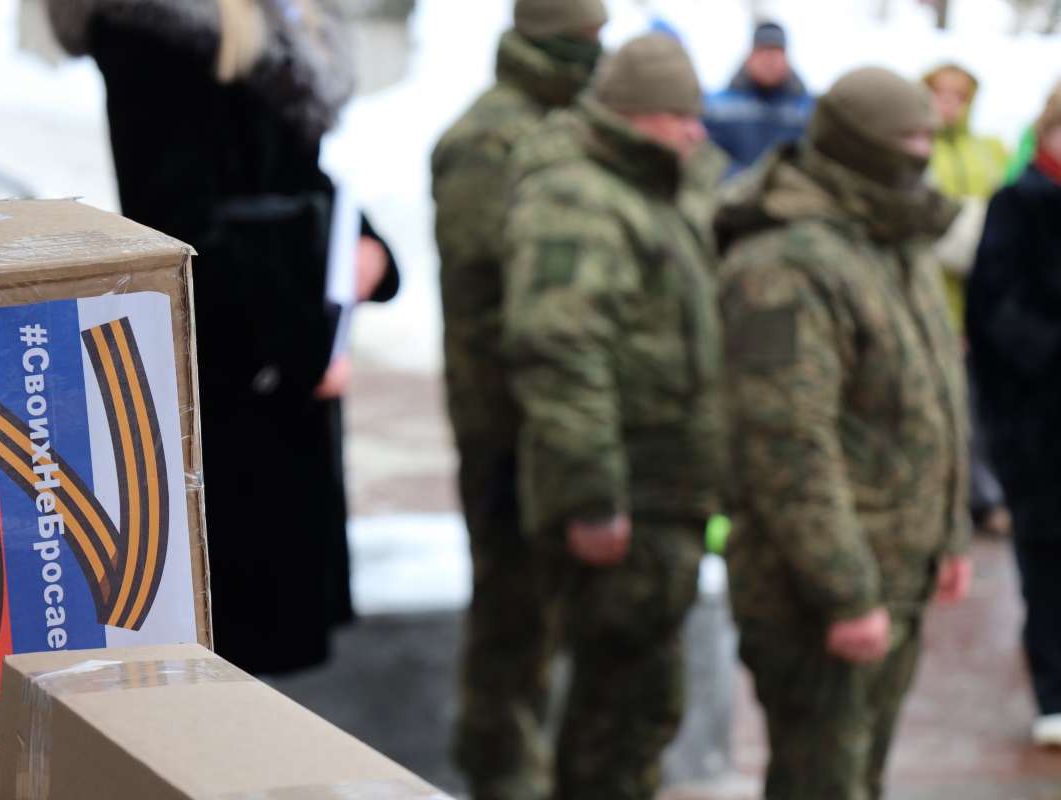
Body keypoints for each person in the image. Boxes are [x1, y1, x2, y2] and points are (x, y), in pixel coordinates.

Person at [46, 0, 399, 675]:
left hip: (281, 365)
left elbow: (297, 172)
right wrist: (303, 350)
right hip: (237, 372)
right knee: (229, 647)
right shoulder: (157, 28)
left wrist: (368, 248)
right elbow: (176, 225)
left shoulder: (269, 22)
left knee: (263, 659)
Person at [716, 67, 972, 799]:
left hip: (896, 573)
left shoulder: (893, 238)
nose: (922, 154)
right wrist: (846, 593)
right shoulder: (782, 264)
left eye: (928, 137)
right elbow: (785, 443)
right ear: (859, 147)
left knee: (861, 778)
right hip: (814, 594)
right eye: (907, 140)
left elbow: (934, 399)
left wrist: (949, 535)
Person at [502, 34, 725, 800]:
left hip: (664, 495)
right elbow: (559, 351)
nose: (697, 131)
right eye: (680, 116)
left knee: (642, 707)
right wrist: (593, 497)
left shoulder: (651, 186)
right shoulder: (578, 198)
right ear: (634, 114)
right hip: (626, 498)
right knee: (615, 715)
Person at [430, 1, 607, 797]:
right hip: (505, 422)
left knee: (558, 619)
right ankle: (500, 778)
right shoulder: (489, 139)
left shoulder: (570, 121)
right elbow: (495, 295)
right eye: (587, 39)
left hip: (559, 417)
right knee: (511, 624)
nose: (598, 53)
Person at [967, 82, 1061, 749]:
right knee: (1049, 563)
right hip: (1040, 425)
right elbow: (994, 309)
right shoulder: (1019, 202)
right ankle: (1055, 692)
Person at [922, 63, 1011, 538]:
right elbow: (941, 237)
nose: (950, 105)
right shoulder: (920, 151)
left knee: (985, 411)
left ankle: (986, 498)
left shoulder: (989, 151)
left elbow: (1005, 224)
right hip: (937, 303)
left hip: (988, 307)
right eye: (941, 94)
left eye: (959, 96)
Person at [703, 20, 814, 177]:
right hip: (729, 189)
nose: (769, 61)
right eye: (763, 52)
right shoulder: (716, 106)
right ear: (750, 57)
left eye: (776, 53)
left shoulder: (807, 109)